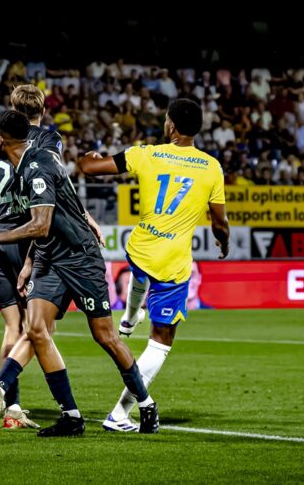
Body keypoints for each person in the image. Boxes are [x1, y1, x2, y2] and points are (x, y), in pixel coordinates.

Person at [0, 111, 159, 437]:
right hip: (50, 257)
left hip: (80, 259)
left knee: (105, 336)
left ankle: (147, 405)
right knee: (35, 330)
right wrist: (30, 262)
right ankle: (68, 416)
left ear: (0, 139)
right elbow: (52, 217)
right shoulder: (23, 167)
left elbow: (42, 224)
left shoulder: (37, 167)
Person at [77, 98, 229, 432]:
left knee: (138, 269)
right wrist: (224, 241)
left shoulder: (146, 153)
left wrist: (88, 155)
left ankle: (130, 316)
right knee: (160, 342)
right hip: (172, 262)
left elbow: (89, 168)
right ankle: (120, 413)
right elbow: (219, 221)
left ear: (171, 126)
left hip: (140, 246)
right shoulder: (211, 166)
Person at [0, 84, 66, 429]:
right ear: (43, 109)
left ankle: (12, 405)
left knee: (12, 326)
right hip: (28, 240)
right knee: (40, 326)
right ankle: (9, 406)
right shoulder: (48, 141)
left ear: (11, 108)